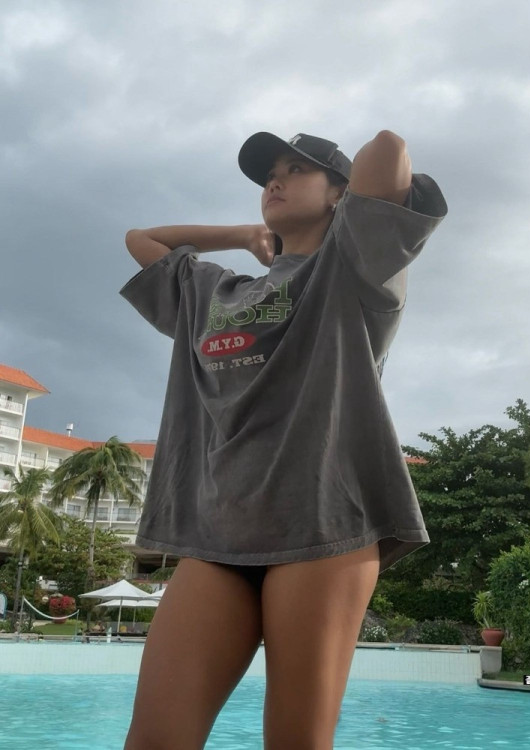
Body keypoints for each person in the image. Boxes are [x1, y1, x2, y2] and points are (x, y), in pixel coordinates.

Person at [120, 129, 447, 749]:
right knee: (154, 739)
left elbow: (388, 150)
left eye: (298, 169)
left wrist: (350, 205)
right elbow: (142, 240)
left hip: (322, 529)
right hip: (217, 534)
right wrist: (244, 234)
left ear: (341, 193)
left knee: (295, 742)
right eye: (271, 173)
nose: (275, 180)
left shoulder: (354, 265)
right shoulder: (217, 292)